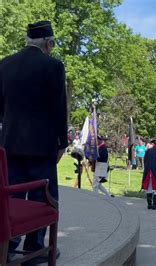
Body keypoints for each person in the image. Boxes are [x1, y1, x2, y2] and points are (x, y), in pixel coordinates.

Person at [1, 21, 66, 262]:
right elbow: (59, 109)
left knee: (11, 196)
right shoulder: (54, 66)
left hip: (9, 143)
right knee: (42, 196)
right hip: (42, 144)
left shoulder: (4, 65)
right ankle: (33, 248)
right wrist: (62, 143)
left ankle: (8, 244)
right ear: (49, 43)